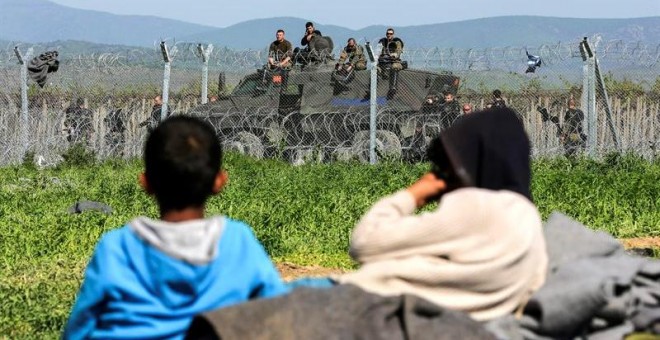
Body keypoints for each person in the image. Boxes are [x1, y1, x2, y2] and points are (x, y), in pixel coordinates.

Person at [63, 116, 288, 339]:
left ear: (146, 182)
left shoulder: (117, 248)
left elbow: (79, 329)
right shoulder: (238, 242)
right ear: (219, 182)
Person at [336, 107, 548, 322]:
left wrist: (417, 192)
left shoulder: (477, 208)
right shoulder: (529, 218)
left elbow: (364, 243)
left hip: (367, 306)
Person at [378, 28, 404, 98]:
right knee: (375, 69)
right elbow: (381, 52)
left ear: (393, 34)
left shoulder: (397, 42)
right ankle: (371, 89)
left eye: (390, 34)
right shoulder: (384, 42)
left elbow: (398, 51)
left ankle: (393, 88)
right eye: (387, 34)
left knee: (394, 67)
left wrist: (395, 55)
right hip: (384, 62)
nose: (389, 35)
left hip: (395, 61)